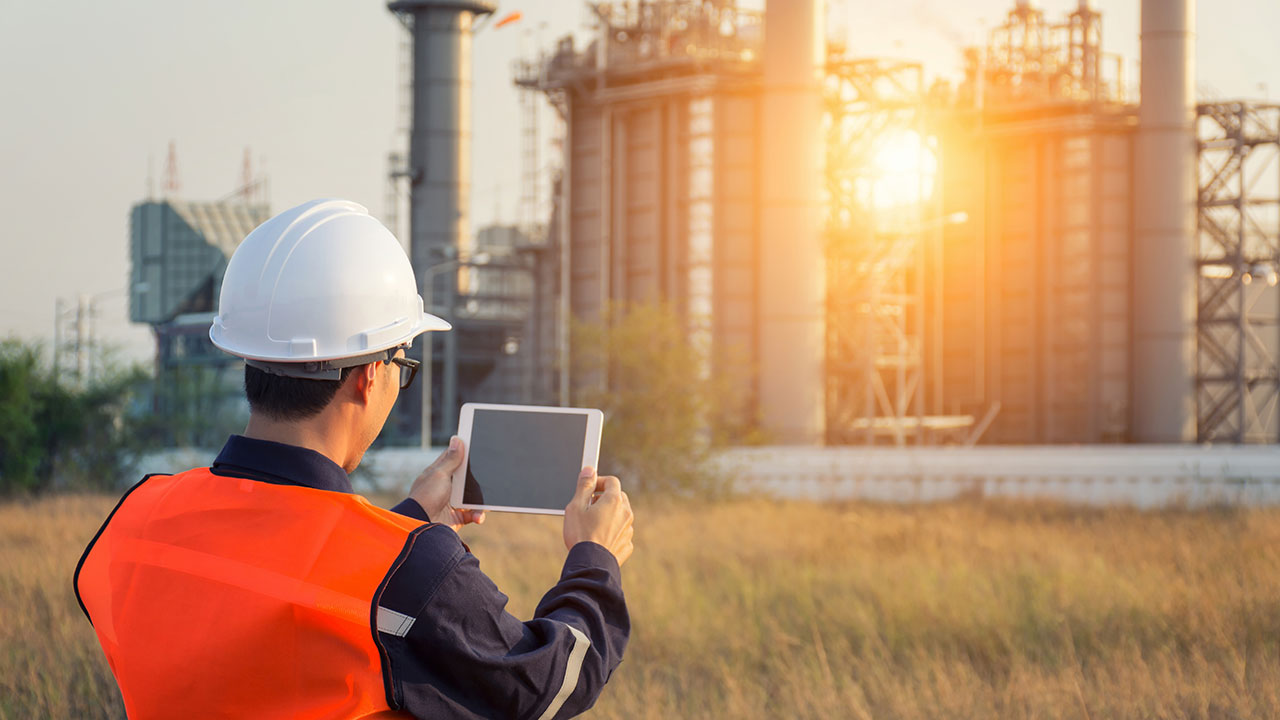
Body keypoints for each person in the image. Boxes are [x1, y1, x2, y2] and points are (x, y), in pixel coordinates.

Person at [73, 199, 634, 719]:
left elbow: (271, 602)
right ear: (370, 375)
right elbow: (549, 682)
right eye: (403, 366)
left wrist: (405, 522)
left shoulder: (139, 516)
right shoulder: (413, 569)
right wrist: (595, 557)